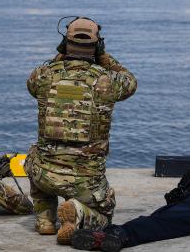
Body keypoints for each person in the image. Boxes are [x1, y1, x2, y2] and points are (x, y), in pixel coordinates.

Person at [25, 17, 137, 244]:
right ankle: (76, 213)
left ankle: (45, 218)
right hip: (86, 183)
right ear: (98, 46)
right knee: (105, 217)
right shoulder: (109, 80)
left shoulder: (43, 75)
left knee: (32, 156)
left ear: (65, 43)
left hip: (44, 176)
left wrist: (61, 55)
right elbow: (131, 81)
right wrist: (105, 58)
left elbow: (33, 85)